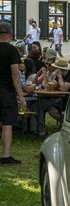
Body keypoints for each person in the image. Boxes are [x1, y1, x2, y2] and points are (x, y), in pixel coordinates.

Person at [0, 22, 27, 164]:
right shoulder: (11, 50)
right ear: (10, 35)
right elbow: (15, 74)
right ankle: (5, 155)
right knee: (7, 123)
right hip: (6, 92)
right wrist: (21, 96)